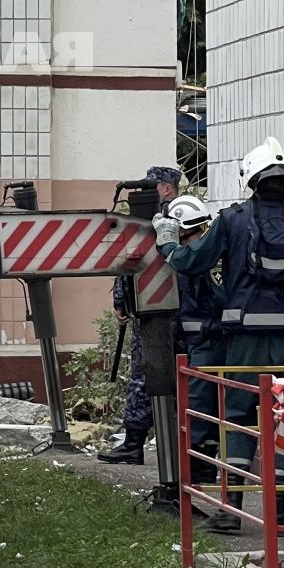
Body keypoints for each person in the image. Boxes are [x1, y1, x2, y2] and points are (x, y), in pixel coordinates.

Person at [156, 137, 284, 533]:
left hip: (242, 339)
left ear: (252, 179)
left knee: (236, 419)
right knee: (282, 418)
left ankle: (230, 510)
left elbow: (193, 262)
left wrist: (168, 241)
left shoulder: (233, 219)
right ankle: (279, 511)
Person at [97, 165, 182, 465]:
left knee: (144, 377)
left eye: (152, 186)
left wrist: (123, 301)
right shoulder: (175, 218)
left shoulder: (157, 221)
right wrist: (122, 302)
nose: (145, 192)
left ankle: (135, 443)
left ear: (167, 189)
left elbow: (133, 262)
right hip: (171, 313)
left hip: (158, 313)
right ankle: (166, 446)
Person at [166, 194, 224, 489]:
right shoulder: (192, 253)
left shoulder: (207, 259)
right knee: (198, 406)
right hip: (194, 343)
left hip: (209, 343)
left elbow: (219, 301)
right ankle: (199, 469)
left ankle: (202, 472)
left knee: (201, 406)